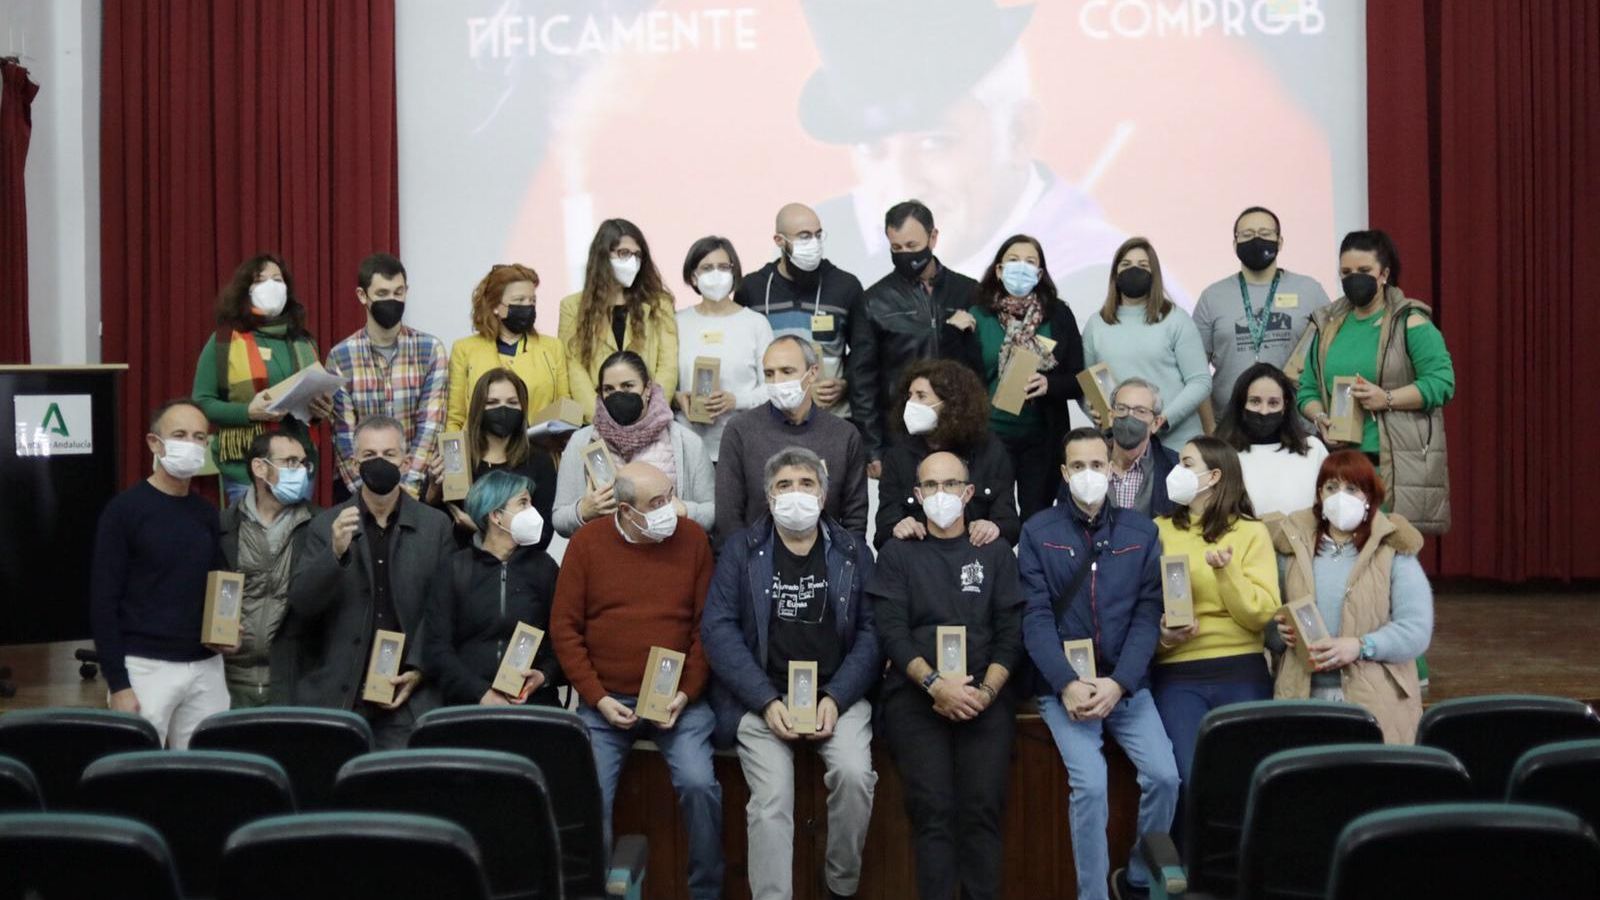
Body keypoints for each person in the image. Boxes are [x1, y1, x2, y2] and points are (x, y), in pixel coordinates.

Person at [800, 5, 1128, 308]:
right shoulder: (828, 243)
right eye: (872, 148)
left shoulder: (1100, 293)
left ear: (1018, 134)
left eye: (934, 143)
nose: (901, 185)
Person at [702, 447, 879, 900]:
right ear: (768, 496)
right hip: (761, 700)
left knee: (855, 777)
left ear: (823, 495)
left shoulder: (854, 550)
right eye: (784, 486)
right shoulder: (741, 549)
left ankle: (840, 885)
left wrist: (837, 697)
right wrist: (764, 700)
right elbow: (718, 630)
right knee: (771, 802)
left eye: (806, 484)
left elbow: (873, 632)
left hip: (837, 695)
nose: (795, 494)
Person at [550, 462, 722, 900]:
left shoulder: (694, 541)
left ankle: (706, 892)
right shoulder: (586, 543)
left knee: (700, 785)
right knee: (589, 798)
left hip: (679, 704)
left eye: (671, 495)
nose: (671, 509)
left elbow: (709, 628)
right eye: (657, 503)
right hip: (605, 702)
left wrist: (687, 692)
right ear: (626, 511)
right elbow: (565, 629)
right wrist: (597, 697)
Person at [1020, 427, 1178, 900]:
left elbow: (1148, 616)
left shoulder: (1141, 531)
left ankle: (1135, 879)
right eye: (1078, 466)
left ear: (1111, 469)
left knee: (1166, 777)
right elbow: (1036, 618)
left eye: (1097, 464)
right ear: (1065, 473)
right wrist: (1067, 684)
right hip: (1063, 688)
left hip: (1126, 685)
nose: (1089, 474)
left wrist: (1121, 683)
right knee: (1089, 786)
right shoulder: (1036, 532)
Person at [870, 451, 1023, 900]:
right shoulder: (898, 553)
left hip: (985, 698)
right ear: (916, 496)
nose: (942, 494)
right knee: (932, 811)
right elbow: (891, 633)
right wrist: (937, 686)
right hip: (915, 698)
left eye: (951, 484)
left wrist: (986, 691)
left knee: (982, 811)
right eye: (931, 486)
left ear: (969, 492)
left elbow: (1010, 634)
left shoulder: (994, 552)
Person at [283, 416, 454, 748]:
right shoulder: (325, 525)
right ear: (355, 462)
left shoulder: (436, 528)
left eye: (389, 455)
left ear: (405, 463)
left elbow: (444, 611)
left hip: (406, 694)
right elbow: (302, 605)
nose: (380, 463)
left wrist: (419, 669)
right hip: (340, 694)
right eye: (370, 455)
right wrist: (334, 554)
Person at [90, 400, 229, 749]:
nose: (191, 443)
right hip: (144, 668)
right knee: (137, 777)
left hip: (206, 668)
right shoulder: (124, 511)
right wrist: (118, 683)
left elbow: (220, 583)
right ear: (155, 443)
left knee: (210, 776)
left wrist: (228, 629)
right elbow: (102, 602)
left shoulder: (207, 514)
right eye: (180, 434)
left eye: (199, 437)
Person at [1296, 230, 1455, 534]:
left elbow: (1442, 382)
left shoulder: (1411, 321)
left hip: (1393, 466)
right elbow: (1307, 389)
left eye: (1364, 271)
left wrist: (1388, 398)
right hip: (1341, 467)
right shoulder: (1327, 324)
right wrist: (1320, 418)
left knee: (1389, 560)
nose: (1354, 278)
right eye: (1346, 272)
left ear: (1384, 274)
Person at [1267, 451, 1433, 743]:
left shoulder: (1394, 550)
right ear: (1319, 494)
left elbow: (1416, 630)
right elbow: (1269, 621)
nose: (1340, 497)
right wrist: (1276, 631)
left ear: (1368, 496)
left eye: (1352, 489)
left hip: (1375, 701)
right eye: (1331, 488)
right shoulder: (1291, 547)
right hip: (1301, 696)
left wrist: (1360, 646)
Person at [1150, 436, 1281, 783]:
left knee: (1246, 777)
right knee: (1191, 776)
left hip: (1240, 666)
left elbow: (1260, 614)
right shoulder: (1157, 530)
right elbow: (1142, 604)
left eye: (1188, 464)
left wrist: (1227, 572)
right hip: (1178, 669)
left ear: (1214, 477)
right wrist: (1161, 637)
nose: (1177, 470)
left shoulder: (1252, 532)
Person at [950, 233, 1085, 518]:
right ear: (999, 270)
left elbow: (1077, 378)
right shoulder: (977, 315)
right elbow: (959, 378)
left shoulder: (1058, 315)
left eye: (1029, 262)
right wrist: (951, 333)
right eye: (1013, 260)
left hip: (1041, 439)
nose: (1021, 267)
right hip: (990, 436)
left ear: (1040, 273)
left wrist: (1050, 384)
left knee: (1038, 516)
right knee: (990, 517)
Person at [849, 200, 981, 473]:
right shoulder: (874, 301)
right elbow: (862, 379)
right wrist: (872, 446)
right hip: (901, 431)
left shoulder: (968, 291)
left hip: (961, 430)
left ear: (933, 238)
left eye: (911, 246)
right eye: (896, 248)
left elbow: (983, 366)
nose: (904, 255)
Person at [191, 254, 331, 504]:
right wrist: (248, 411)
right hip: (246, 468)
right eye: (261, 280)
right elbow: (201, 403)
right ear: (246, 291)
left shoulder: (303, 341)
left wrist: (320, 409)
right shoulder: (224, 340)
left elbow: (310, 399)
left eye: (277, 279)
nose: (271, 285)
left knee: (297, 539)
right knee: (252, 540)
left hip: (297, 465)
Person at [425, 470, 563, 708]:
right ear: (496, 516)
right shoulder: (455, 568)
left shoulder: (545, 568)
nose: (533, 511)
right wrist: (481, 694)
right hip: (468, 704)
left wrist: (543, 676)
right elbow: (437, 648)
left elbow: (562, 639)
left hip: (533, 702)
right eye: (523, 503)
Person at [718, 336, 869, 541]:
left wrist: (846, 565)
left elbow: (855, 517)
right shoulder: (740, 431)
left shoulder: (844, 435)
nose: (777, 382)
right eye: (769, 374)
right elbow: (729, 515)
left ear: (813, 372)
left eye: (787, 371)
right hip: (756, 561)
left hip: (829, 561)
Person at [551, 351, 714, 537]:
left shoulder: (686, 442)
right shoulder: (582, 441)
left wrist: (684, 510)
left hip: (669, 556)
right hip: (606, 557)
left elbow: (712, 513)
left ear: (647, 389)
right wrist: (583, 510)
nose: (618, 394)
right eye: (609, 389)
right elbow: (560, 519)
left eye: (628, 386)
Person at [326, 253, 449, 498]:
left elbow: (431, 426)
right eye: (382, 294)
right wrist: (369, 496)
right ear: (363, 296)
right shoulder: (340, 356)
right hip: (360, 492)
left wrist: (407, 489)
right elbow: (344, 437)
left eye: (398, 292)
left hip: (416, 490)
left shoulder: (430, 349)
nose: (392, 300)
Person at [1192, 207, 1332, 418]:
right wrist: (1210, 428)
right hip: (1230, 425)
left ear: (1280, 241)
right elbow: (1195, 370)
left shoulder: (1310, 290)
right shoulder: (1212, 296)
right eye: (1247, 235)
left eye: (1265, 234)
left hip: (1296, 423)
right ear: (1234, 244)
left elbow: (1330, 354)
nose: (1256, 240)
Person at [735, 202, 863, 421]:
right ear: (779, 241)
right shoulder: (752, 288)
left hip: (831, 417)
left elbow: (863, 351)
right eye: (804, 236)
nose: (813, 243)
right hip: (769, 418)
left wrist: (846, 383)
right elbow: (742, 354)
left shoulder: (845, 286)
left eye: (818, 235)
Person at [875, 358, 1019, 551]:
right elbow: (883, 531)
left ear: (951, 404)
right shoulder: (898, 455)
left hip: (975, 558)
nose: (910, 404)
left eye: (921, 396)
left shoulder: (989, 449)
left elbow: (1009, 524)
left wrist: (994, 527)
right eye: (909, 396)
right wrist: (897, 527)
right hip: (918, 560)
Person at [1082, 238, 1212, 448]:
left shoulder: (1176, 319)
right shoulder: (1096, 324)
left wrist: (1163, 419)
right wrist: (1097, 415)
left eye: (1143, 265)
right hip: (1122, 445)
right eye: (1126, 265)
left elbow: (1200, 381)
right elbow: (1088, 385)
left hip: (1177, 444)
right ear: (1115, 273)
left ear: (1155, 274)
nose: (1134, 270)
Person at [221, 432, 319, 708]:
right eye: (290, 462)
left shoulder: (320, 526)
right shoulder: (223, 526)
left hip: (292, 681)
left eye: (303, 464)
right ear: (259, 467)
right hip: (229, 680)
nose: (300, 471)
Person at [559, 218, 679, 423]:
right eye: (624, 253)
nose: (632, 261)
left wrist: (650, 412)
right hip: (597, 421)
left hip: (649, 418)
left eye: (637, 255)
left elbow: (668, 365)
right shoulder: (572, 306)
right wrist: (600, 417)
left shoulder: (660, 304)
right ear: (603, 256)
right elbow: (574, 368)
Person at [427, 369, 555, 552]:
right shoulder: (455, 453)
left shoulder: (538, 461)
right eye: (492, 402)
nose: (503, 410)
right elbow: (428, 526)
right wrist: (432, 493)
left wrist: (481, 530)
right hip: (458, 565)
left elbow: (542, 537)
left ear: (523, 408)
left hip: (518, 570)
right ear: (478, 407)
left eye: (512, 402)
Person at [676, 236, 775, 462]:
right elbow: (663, 383)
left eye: (723, 267)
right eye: (707, 268)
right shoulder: (676, 323)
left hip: (744, 444)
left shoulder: (756, 323)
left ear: (734, 272)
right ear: (693, 276)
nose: (716, 274)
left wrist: (735, 400)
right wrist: (678, 397)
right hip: (689, 447)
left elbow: (772, 387)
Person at [445, 262, 569, 431]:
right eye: (519, 300)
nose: (528, 306)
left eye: (532, 301)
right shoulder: (464, 349)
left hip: (538, 451)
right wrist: (456, 457)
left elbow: (565, 408)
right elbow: (455, 417)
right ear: (495, 306)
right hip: (480, 451)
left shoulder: (552, 348)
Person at [1216, 362, 1329, 517]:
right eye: (1255, 401)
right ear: (1241, 404)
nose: (1264, 411)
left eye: (1273, 403)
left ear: (1285, 406)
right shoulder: (1220, 452)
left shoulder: (1313, 448)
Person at [1091, 378, 1182, 520]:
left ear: (1156, 423)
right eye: (1122, 409)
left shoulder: (1174, 467)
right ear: (1111, 416)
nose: (1129, 416)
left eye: (1140, 411)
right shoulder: (1085, 463)